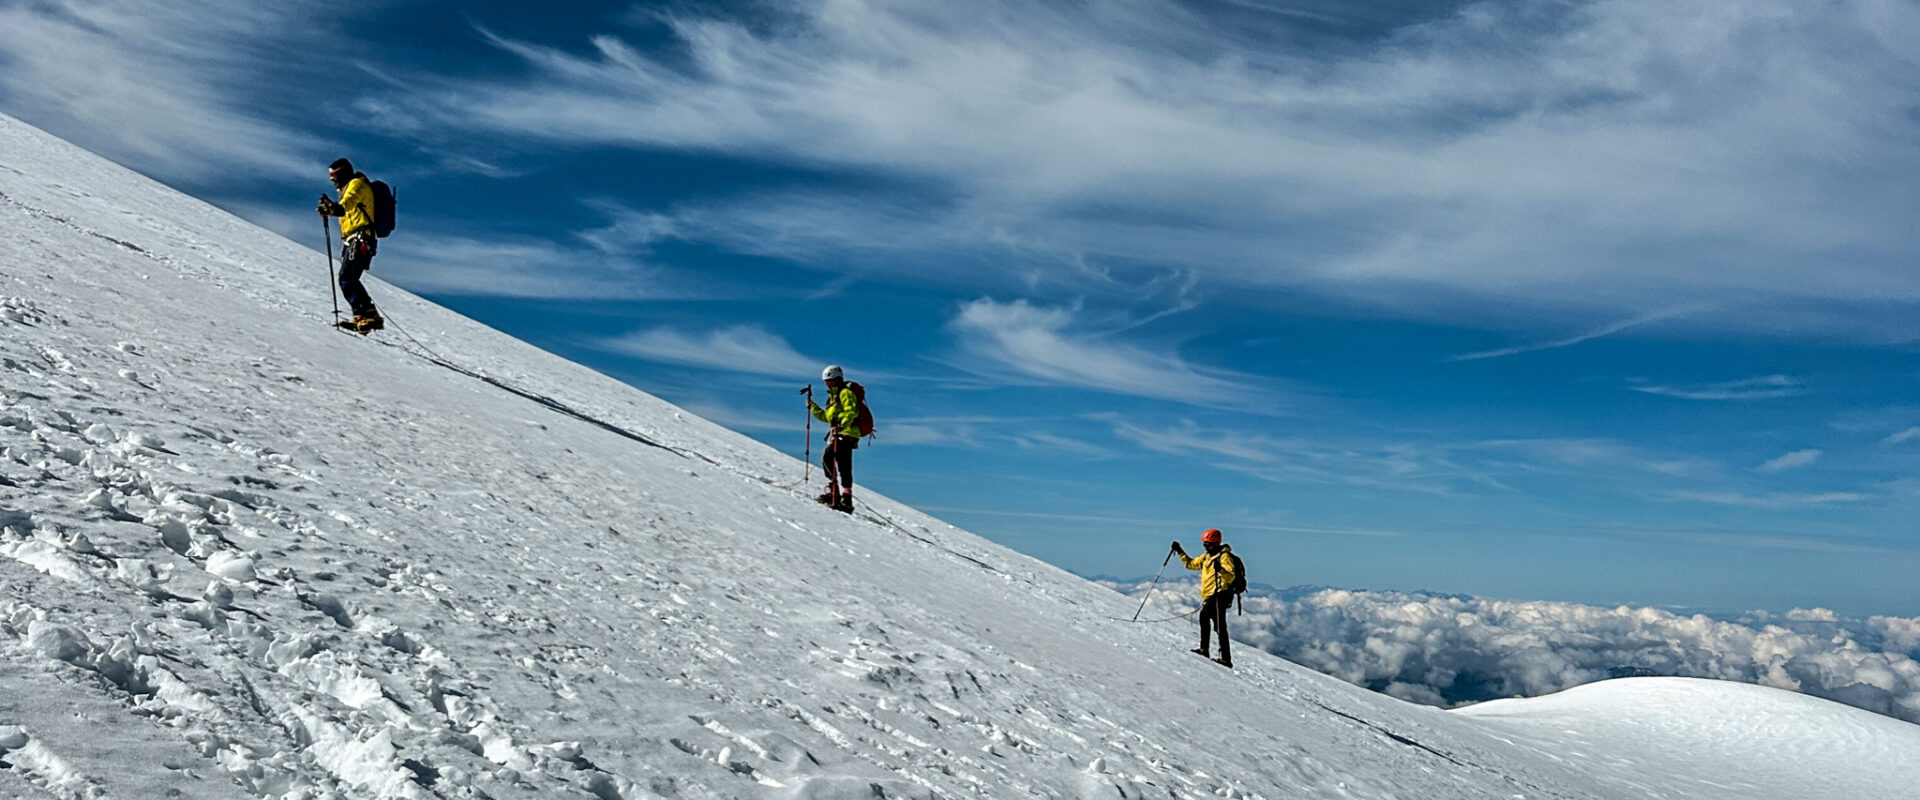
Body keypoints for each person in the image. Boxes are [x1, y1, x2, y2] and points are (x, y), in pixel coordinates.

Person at [317, 158, 382, 332]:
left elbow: (347, 205)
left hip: (361, 238)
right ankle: (363, 316)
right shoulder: (349, 187)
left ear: (342, 173)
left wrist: (333, 209)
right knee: (348, 277)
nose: (332, 180)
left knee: (347, 277)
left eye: (334, 175)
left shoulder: (356, 185)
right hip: (354, 239)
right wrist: (331, 208)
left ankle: (368, 316)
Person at [1172, 528, 1240, 668]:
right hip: (1210, 595)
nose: (1206, 547)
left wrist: (1220, 569)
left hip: (1220, 593)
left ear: (1216, 543)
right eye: (1205, 544)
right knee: (1219, 626)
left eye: (1208, 544)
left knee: (1206, 617)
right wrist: (1179, 551)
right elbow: (1190, 564)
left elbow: (1230, 576)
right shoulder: (1207, 557)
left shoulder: (1224, 557)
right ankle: (1221, 656)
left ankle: (1210, 652)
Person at [806, 364, 859, 513]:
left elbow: (852, 411)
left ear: (838, 379)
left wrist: (841, 424)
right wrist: (813, 407)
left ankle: (841, 496)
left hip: (847, 432)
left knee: (834, 459)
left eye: (830, 381)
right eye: (826, 382)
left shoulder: (845, 393)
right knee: (836, 460)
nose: (827, 384)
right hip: (840, 432)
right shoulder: (833, 398)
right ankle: (839, 494)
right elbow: (827, 417)